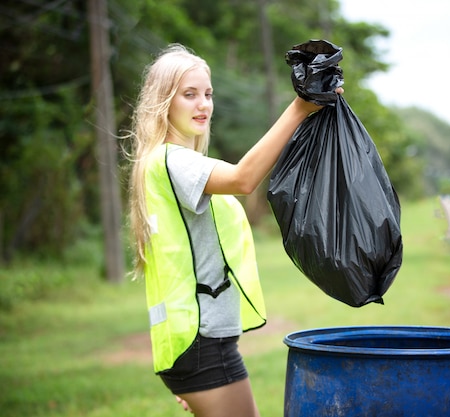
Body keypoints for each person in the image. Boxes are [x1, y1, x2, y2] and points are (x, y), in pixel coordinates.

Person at [127, 43, 342, 417]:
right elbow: (244, 178)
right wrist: (300, 107)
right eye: (189, 94)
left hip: (196, 344)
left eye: (207, 94)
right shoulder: (174, 162)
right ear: (164, 102)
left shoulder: (170, 163)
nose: (203, 105)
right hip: (201, 342)